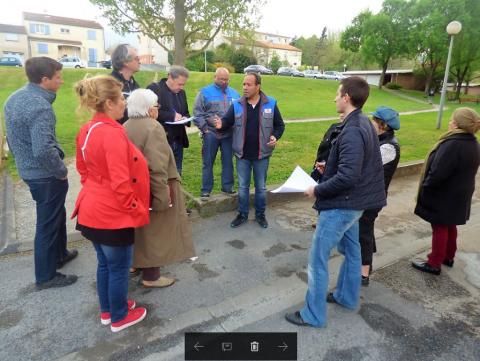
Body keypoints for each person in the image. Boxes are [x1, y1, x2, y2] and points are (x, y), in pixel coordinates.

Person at [285, 76, 386, 328]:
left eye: (337, 93)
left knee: (317, 259)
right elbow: (355, 166)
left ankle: (313, 315)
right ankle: (346, 297)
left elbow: (348, 176)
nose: (334, 98)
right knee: (352, 251)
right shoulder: (362, 122)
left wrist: (317, 189)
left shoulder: (353, 128)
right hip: (357, 204)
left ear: (347, 98)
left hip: (343, 205)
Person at [72, 75, 150, 332]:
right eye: (121, 98)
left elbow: (83, 170)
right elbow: (121, 183)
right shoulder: (113, 134)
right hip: (112, 215)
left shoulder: (86, 129)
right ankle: (118, 317)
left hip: (90, 210)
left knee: (105, 264)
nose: (125, 104)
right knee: (118, 268)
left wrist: (98, 190)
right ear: (108, 103)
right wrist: (136, 209)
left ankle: (108, 310)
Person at [4, 56, 78, 290]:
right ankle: (46, 276)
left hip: (30, 170)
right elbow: (43, 148)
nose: (62, 81)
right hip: (44, 175)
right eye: (58, 78)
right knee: (47, 222)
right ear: (44, 80)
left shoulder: (15, 98)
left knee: (55, 214)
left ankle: (60, 254)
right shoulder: (39, 106)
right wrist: (61, 170)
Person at [124, 89, 196, 287]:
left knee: (139, 230)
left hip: (135, 188)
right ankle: (151, 276)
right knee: (155, 231)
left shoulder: (126, 126)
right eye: (156, 106)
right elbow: (157, 166)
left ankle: (135, 263)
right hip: (153, 188)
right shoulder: (152, 127)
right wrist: (163, 197)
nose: (158, 109)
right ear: (149, 109)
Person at [412, 107, 480, 275]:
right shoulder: (473, 142)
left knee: (440, 226)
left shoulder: (452, 144)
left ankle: (434, 263)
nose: (449, 122)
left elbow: (437, 173)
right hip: (460, 192)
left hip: (445, 193)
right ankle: (448, 257)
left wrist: (426, 187)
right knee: (450, 224)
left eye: (451, 120)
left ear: (457, 125)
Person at [214, 72, 285, 229]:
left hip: (262, 155)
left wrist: (275, 136)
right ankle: (242, 214)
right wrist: (221, 124)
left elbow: (280, 125)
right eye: (244, 84)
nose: (245, 87)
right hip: (242, 155)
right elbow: (227, 121)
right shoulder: (237, 104)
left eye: (248, 84)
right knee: (242, 187)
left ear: (257, 86)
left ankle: (260, 215)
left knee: (260, 188)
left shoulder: (271, 104)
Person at [359, 106, 401, 286]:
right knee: (364, 229)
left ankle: (364, 272)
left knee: (364, 231)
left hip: (372, 197)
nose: (370, 124)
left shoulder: (389, 147)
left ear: (382, 125)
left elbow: (365, 167)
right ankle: (366, 261)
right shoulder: (379, 140)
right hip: (368, 194)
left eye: (374, 121)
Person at [193, 68, 240, 197]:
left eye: (226, 79)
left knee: (228, 162)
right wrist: (205, 130)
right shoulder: (204, 92)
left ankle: (227, 187)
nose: (224, 82)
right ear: (215, 77)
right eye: (221, 79)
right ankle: (206, 190)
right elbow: (197, 113)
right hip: (211, 133)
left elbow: (240, 113)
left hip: (228, 134)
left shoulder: (235, 94)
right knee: (208, 162)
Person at [147, 66, 190, 174]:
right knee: (162, 174)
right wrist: (172, 116)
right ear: (170, 77)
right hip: (162, 140)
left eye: (183, 84)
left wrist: (185, 118)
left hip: (178, 140)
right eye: (179, 84)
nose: (181, 87)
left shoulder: (182, 93)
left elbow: (185, 112)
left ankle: (176, 191)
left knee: (177, 174)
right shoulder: (155, 89)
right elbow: (148, 112)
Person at [110, 44, 141, 124]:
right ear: (126, 62)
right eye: (136, 58)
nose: (139, 61)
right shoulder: (110, 84)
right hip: (116, 133)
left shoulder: (135, 85)